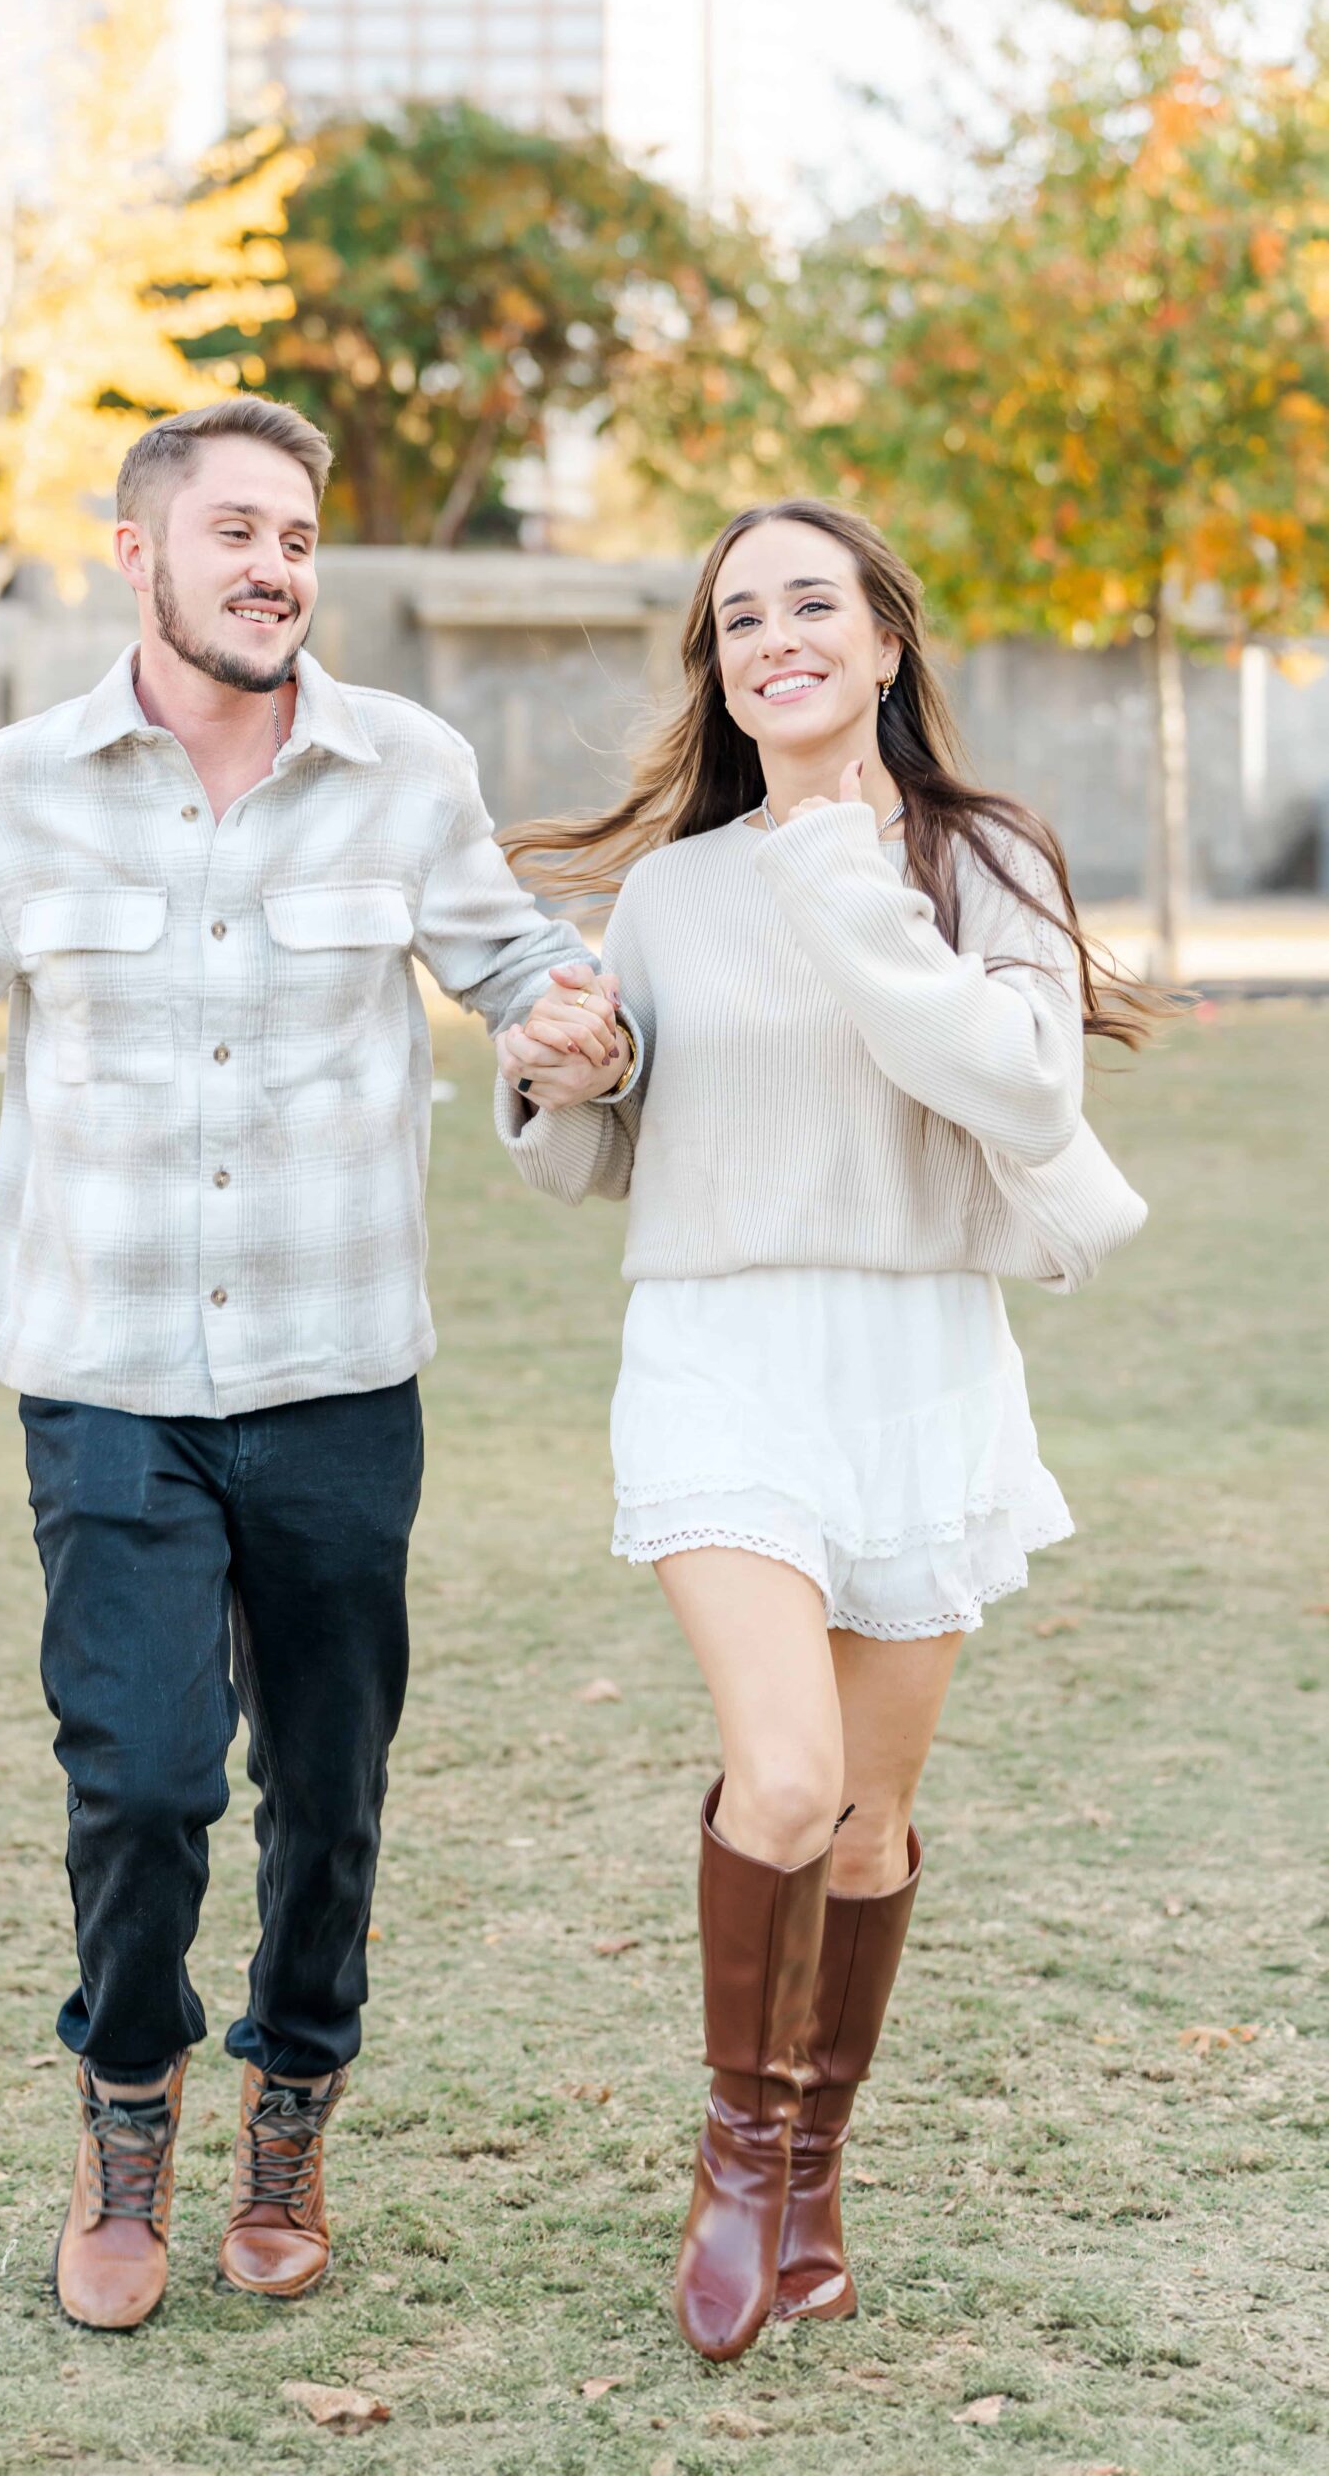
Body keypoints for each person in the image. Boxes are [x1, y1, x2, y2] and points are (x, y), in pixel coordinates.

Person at [0, 397, 634, 2333]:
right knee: (138, 1777)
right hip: (105, 1372)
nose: (272, 565)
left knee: (330, 1775)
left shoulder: (406, 769)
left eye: (294, 533)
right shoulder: (10, 789)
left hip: (332, 1370)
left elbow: (504, 965)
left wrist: (571, 1026)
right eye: (231, 529)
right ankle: (123, 2111)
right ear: (133, 550)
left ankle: (288, 2102)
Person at [492, 498, 1152, 2362]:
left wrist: (851, 872)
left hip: (918, 1354)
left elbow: (1016, 1085)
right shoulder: (677, 892)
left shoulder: (980, 857)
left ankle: (812, 2167)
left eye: (811, 605)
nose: (773, 637)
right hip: (718, 1344)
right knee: (781, 1779)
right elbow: (598, 1158)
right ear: (717, 667)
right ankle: (729, 2160)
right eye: (736, 616)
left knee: (866, 1827)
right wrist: (564, 1077)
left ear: (882, 642)